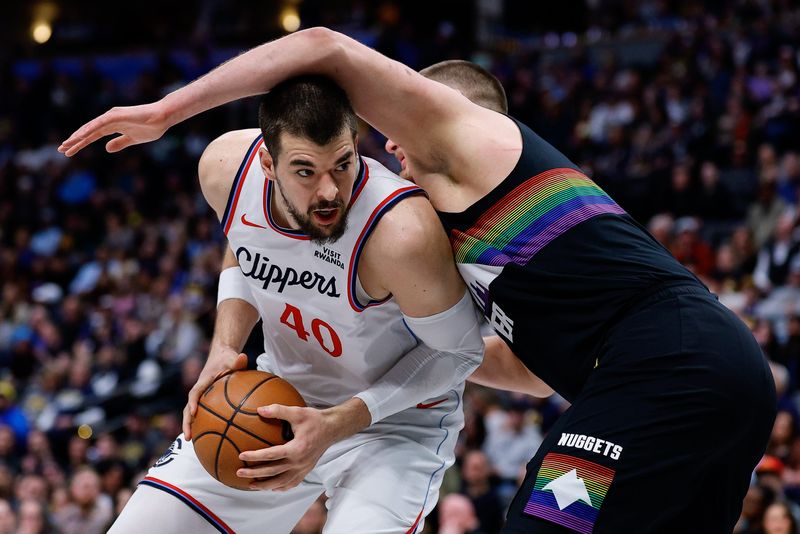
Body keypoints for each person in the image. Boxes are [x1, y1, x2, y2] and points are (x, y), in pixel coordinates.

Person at [59, 28, 777, 532]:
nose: (388, 145)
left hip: (674, 363)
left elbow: (322, 47)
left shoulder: (473, 143)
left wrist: (166, 110)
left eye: (394, 129)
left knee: (542, 520)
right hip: (690, 381)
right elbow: (516, 371)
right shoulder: (450, 236)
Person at [106, 75, 490, 533]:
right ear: (268, 164)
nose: (329, 190)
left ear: (355, 143)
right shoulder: (225, 168)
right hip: (278, 401)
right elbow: (247, 246)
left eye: (342, 165)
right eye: (306, 171)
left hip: (395, 424)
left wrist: (336, 423)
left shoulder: (400, 231)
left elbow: (459, 352)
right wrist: (225, 347)